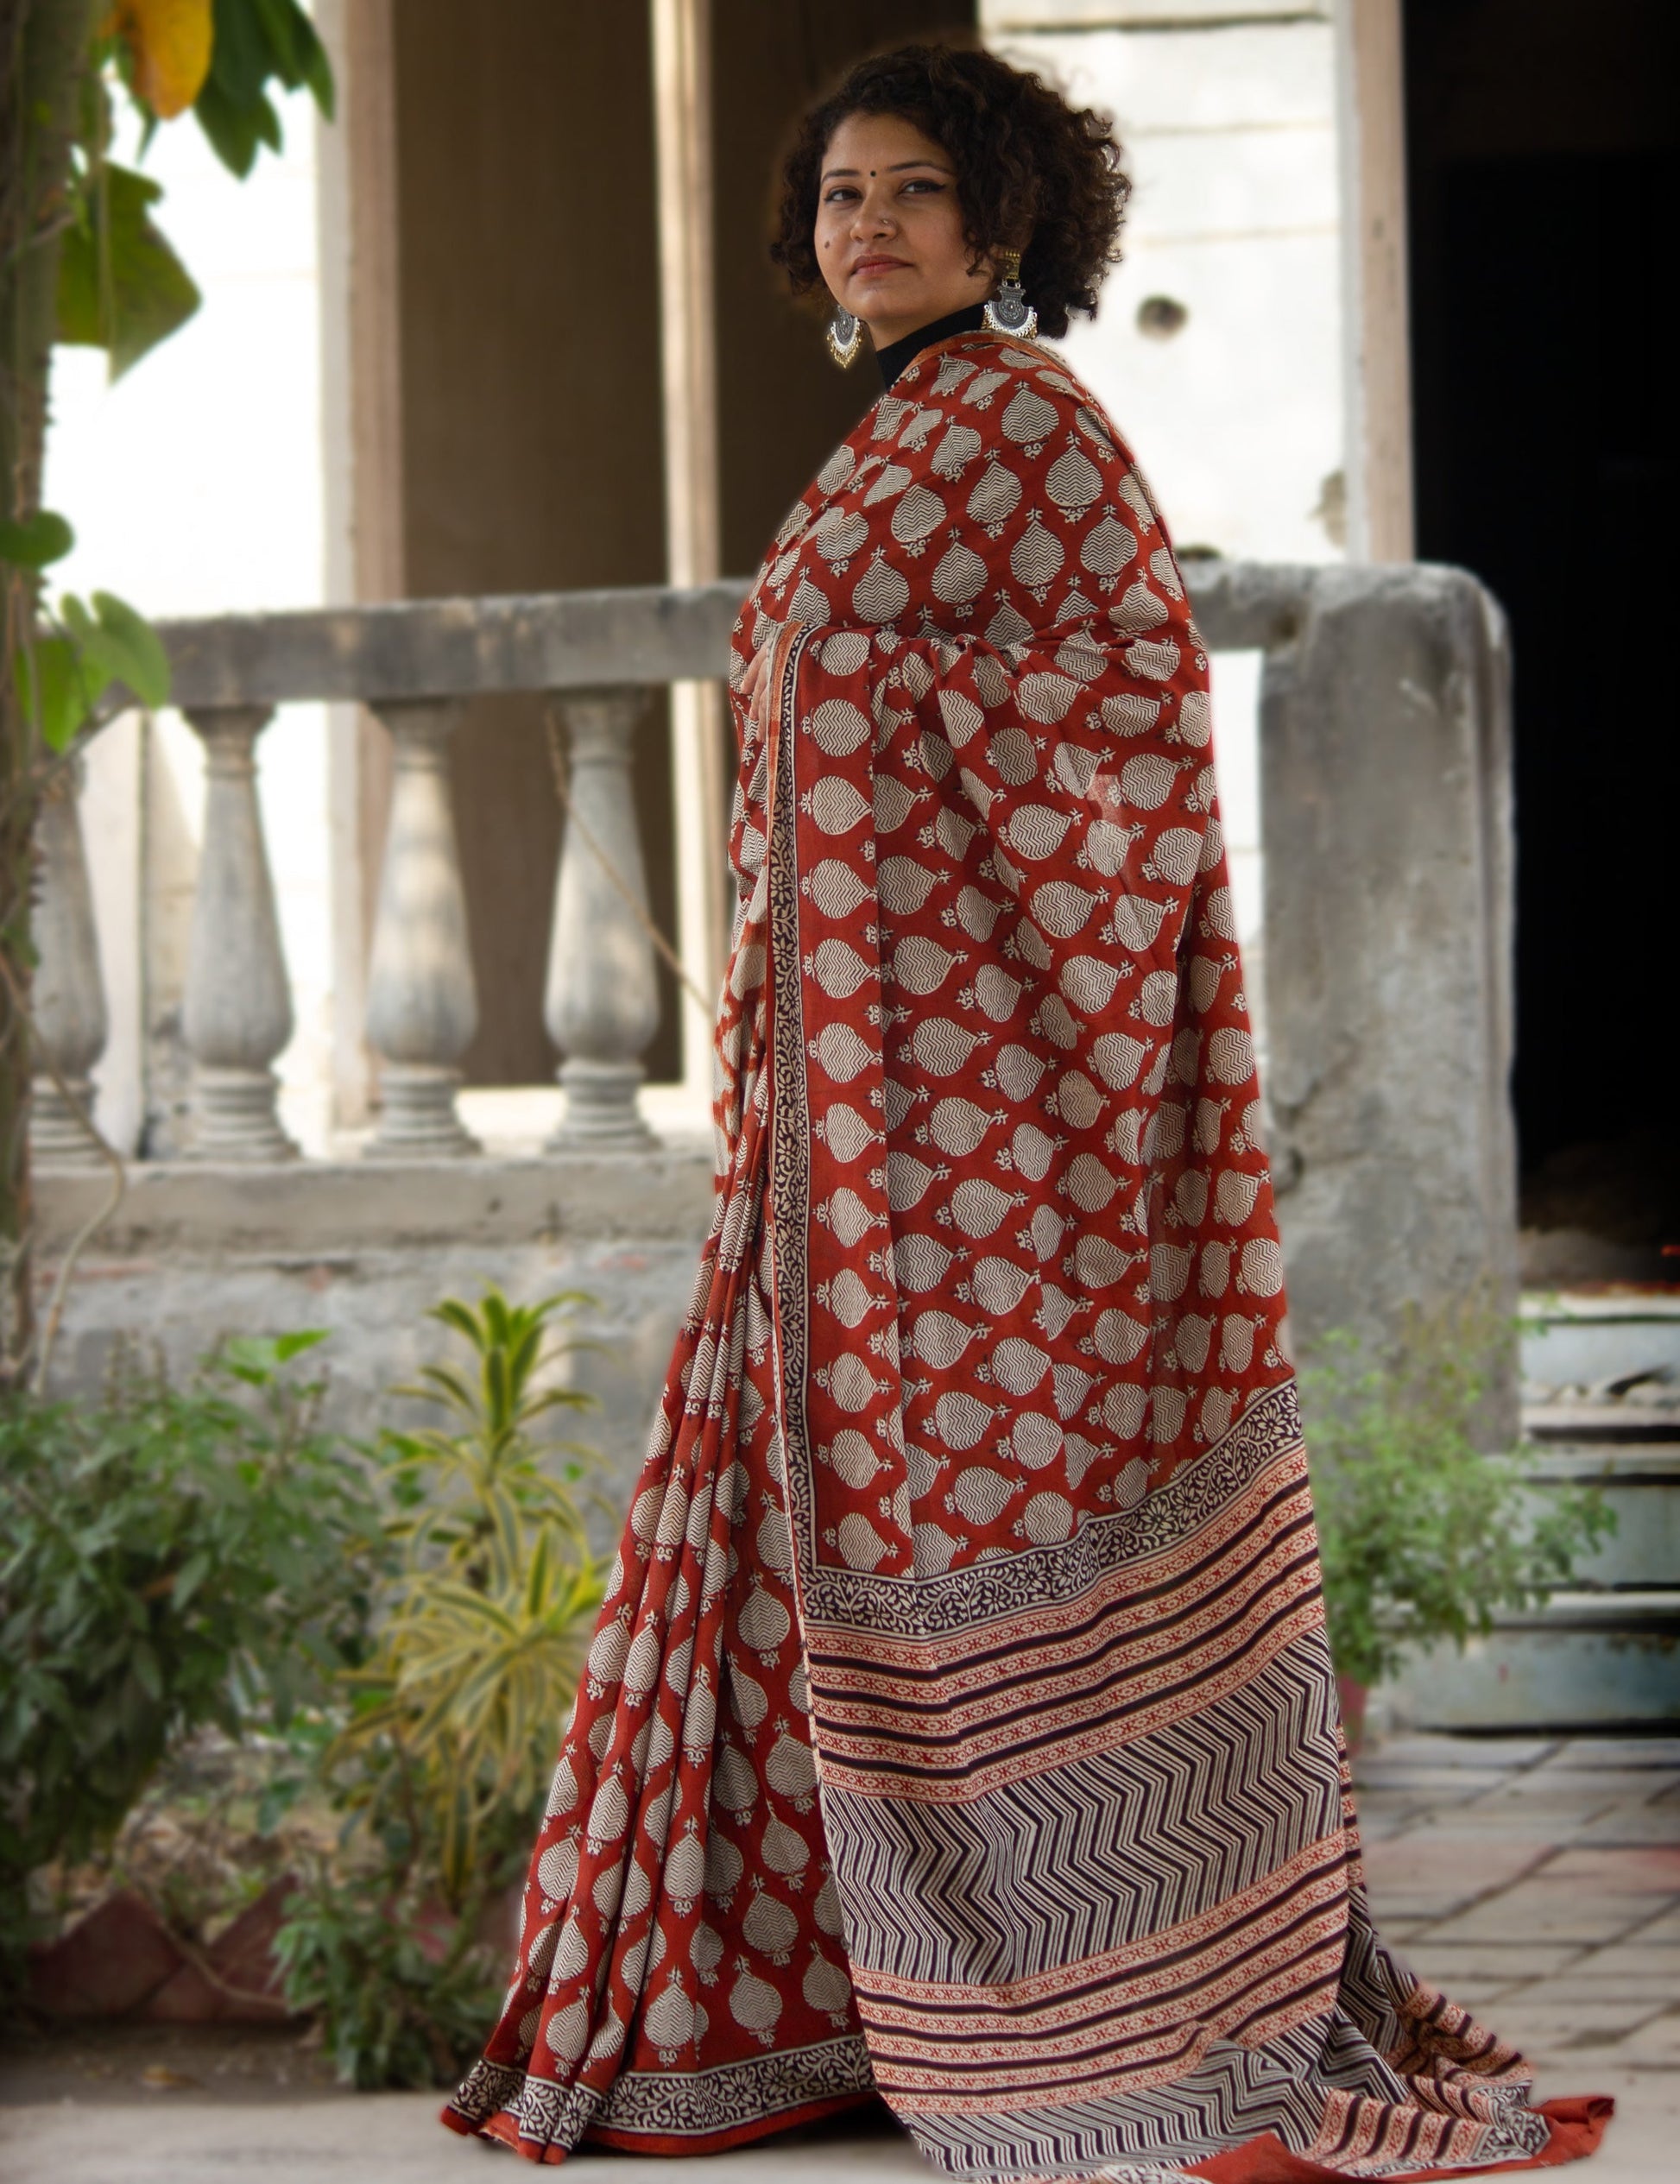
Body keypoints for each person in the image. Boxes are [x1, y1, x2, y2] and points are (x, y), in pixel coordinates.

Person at [445, 42, 1608, 2180]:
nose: (862, 225)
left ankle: (1118, 2000)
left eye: (908, 192)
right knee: (816, 1534)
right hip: (851, 1133)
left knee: (979, 1524)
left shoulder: (1024, 426)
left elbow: (1129, 732)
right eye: (836, 195)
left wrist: (870, 775)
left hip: (987, 1142)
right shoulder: (909, 429)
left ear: (1004, 222)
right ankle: (832, 1996)